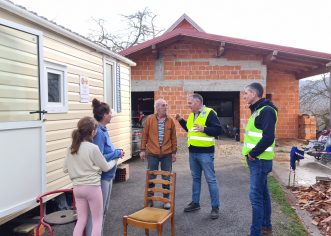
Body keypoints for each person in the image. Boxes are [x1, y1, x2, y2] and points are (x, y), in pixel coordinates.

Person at [63, 116, 119, 236]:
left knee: (81, 220)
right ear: (93, 132)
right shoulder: (93, 148)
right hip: (92, 188)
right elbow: (105, 167)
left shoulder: (71, 147)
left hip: (77, 189)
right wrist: (115, 158)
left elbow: (65, 169)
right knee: (97, 221)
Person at [175, 93, 222, 219]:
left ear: (198, 102)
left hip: (205, 153)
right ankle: (195, 203)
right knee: (196, 179)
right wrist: (180, 120)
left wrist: (204, 129)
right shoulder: (192, 115)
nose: (188, 105)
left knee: (211, 180)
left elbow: (218, 130)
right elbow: (190, 130)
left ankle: (215, 207)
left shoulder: (209, 113)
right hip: (193, 153)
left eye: (190, 103)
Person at [242, 82, 278, 236]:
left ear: (254, 94)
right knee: (263, 195)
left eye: (246, 93)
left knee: (256, 197)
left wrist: (252, 153)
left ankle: (255, 232)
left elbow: (269, 137)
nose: (244, 96)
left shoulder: (266, 110)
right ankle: (266, 227)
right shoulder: (258, 110)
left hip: (259, 160)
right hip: (258, 160)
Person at [87, 98, 125, 235]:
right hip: (102, 178)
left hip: (108, 176)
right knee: (97, 212)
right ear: (104, 115)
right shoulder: (99, 133)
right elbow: (99, 156)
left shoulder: (103, 130)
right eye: (110, 113)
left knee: (103, 210)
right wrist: (117, 153)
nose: (111, 115)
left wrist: (116, 152)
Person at [140, 98, 177, 209]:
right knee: (151, 177)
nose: (166, 107)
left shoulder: (170, 121)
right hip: (152, 153)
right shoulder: (150, 119)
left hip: (167, 153)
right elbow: (145, 135)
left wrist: (174, 152)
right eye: (163, 105)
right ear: (157, 108)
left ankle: (166, 200)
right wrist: (142, 150)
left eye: (166, 105)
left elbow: (173, 138)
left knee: (166, 178)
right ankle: (150, 200)